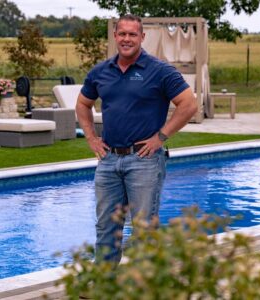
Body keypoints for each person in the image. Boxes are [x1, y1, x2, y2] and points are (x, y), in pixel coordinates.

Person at [76, 14, 198, 263]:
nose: (127, 39)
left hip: (144, 161)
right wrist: (91, 137)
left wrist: (161, 137)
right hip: (109, 161)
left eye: (133, 34)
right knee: (106, 227)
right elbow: (82, 103)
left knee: (143, 230)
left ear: (142, 37)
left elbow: (189, 104)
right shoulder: (100, 72)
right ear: (115, 36)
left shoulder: (160, 71)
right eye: (122, 33)